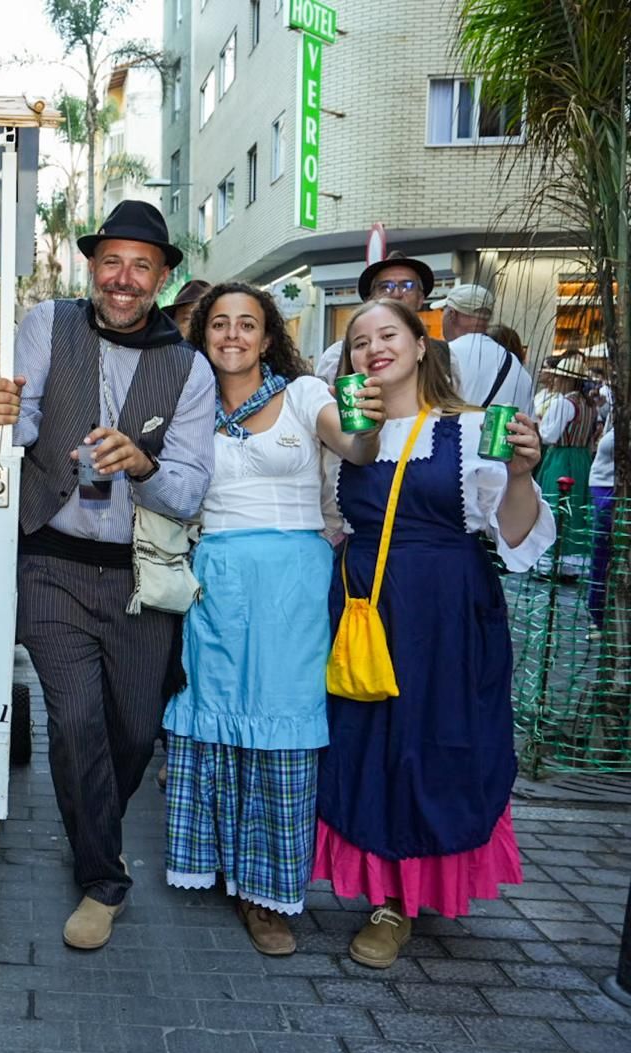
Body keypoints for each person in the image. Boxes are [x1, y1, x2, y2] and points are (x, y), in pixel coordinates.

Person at [0, 200, 215, 951]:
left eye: (141, 265)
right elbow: (18, 428)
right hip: (51, 560)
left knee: (134, 730)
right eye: (111, 261)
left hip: (140, 575)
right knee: (75, 718)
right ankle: (102, 877)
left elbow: (189, 489)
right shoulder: (49, 324)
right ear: (92, 267)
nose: (123, 277)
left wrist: (143, 465)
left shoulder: (189, 368)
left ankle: (93, 825)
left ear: (162, 277)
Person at [315, 298, 553, 969]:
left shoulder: (475, 430)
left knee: (429, 741)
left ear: (422, 345)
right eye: (358, 342)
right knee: (367, 743)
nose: (372, 349)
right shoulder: (347, 432)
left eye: (387, 334)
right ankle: (382, 888)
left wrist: (523, 474)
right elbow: (330, 519)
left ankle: (402, 900)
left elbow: (514, 533)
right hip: (364, 608)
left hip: (445, 613)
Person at [163, 283, 382, 955]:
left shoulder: (307, 393)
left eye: (247, 324)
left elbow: (356, 449)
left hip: (291, 584)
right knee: (219, 721)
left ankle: (268, 898)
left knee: (280, 732)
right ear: (202, 336)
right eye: (219, 324)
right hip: (216, 581)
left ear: (267, 336)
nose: (233, 334)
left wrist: (365, 420)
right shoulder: (187, 406)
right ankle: (227, 868)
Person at [314, 252, 448, 384]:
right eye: (385, 287)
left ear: (420, 299)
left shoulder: (445, 355)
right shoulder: (336, 356)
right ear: (370, 299)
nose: (396, 294)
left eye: (407, 286)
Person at [536, 353, 599, 572]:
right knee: (576, 508)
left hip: (561, 458)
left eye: (559, 377)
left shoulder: (564, 403)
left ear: (568, 380)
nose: (555, 381)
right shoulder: (590, 404)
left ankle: (550, 561)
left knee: (555, 504)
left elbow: (549, 435)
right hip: (582, 459)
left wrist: (540, 424)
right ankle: (572, 562)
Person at [436, 283, 535, 415]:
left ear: (452, 314)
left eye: (444, 310)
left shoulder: (440, 356)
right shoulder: (517, 367)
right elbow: (529, 423)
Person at [587, 426, 616, 631]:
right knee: (602, 552)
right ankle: (599, 615)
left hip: (613, 487)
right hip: (606, 486)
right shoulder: (619, 410)